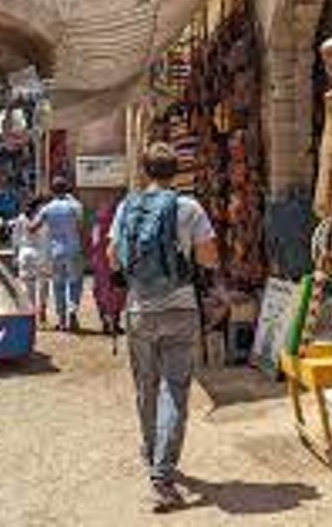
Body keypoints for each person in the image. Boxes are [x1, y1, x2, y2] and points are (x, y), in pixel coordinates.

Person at [108, 142, 219, 513]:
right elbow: (208, 256)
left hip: (139, 309)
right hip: (180, 309)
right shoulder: (189, 208)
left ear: (144, 171)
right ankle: (163, 475)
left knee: (146, 385)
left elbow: (112, 258)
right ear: (176, 171)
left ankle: (150, 448)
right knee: (175, 390)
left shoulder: (127, 207)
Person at [32, 177, 84, 332]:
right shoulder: (75, 206)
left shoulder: (47, 208)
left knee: (58, 285)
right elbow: (81, 226)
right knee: (75, 282)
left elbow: (33, 226)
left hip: (55, 251)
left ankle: (61, 320)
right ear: (67, 189)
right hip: (73, 249)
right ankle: (72, 310)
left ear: (52, 191)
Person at [90, 199, 126, 336]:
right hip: (116, 260)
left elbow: (94, 243)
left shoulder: (98, 224)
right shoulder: (119, 222)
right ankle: (115, 323)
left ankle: (105, 322)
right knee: (118, 291)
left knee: (101, 292)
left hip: (100, 262)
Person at [12, 196, 50, 326]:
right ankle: (42, 308)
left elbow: (15, 239)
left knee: (28, 286)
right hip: (42, 253)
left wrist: (15, 255)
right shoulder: (44, 218)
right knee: (43, 283)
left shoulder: (21, 218)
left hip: (25, 253)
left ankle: (31, 312)